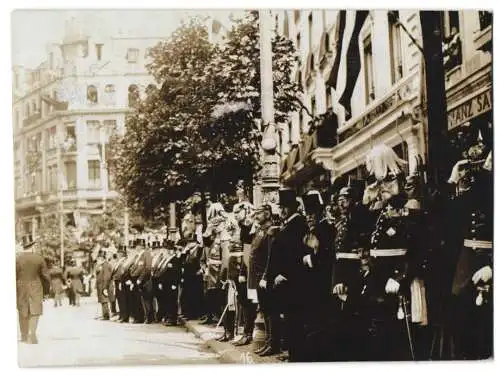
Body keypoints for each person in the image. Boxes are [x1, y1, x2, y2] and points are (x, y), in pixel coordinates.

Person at [360, 144, 423, 361]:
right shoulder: (380, 209)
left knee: (400, 336)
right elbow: (363, 233)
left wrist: (400, 276)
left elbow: (416, 247)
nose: (382, 187)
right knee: (379, 333)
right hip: (378, 276)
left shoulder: (408, 207)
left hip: (396, 278)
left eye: (388, 181)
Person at [446, 134, 493, 360]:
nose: (473, 173)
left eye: (478, 167)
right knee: (463, 311)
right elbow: (446, 215)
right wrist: (453, 184)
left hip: (488, 257)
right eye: (470, 167)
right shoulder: (471, 193)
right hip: (467, 259)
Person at [265, 188, 310, 362]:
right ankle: (292, 352)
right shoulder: (289, 224)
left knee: (294, 320)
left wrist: (284, 274)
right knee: (290, 319)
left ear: (293, 207)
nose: (282, 210)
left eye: (285, 207)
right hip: (286, 281)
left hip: (293, 281)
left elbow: (296, 255)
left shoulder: (297, 225)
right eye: (281, 207)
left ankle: (296, 355)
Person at [250, 204, 281, 356]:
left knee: (271, 311)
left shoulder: (270, 230)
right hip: (258, 276)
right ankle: (268, 341)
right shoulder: (260, 230)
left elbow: (271, 255)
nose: (256, 215)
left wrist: (264, 276)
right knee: (265, 309)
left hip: (265, 276)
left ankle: (273, 344)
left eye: (259, 213)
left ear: (268, 214)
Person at [16, 234, 50, 344]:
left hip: (21, 287)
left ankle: (24, 335)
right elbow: (46, 277)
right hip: (36, 286)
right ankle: (32, 333)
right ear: (33, 245)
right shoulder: (39, 258)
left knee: (22, 309)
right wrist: (46, 292)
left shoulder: (17, 258)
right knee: (35, 310)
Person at [95, 251, 112, 320]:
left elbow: (106, 277)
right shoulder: (101, 265)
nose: (97, 260)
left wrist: (105, 287)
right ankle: (104, 314)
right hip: (100, 285)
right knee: (102, 301)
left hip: (103, 285)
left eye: (98, 258)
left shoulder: (105, 265)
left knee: (104, 300)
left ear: (102, 258)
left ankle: (106, 315)